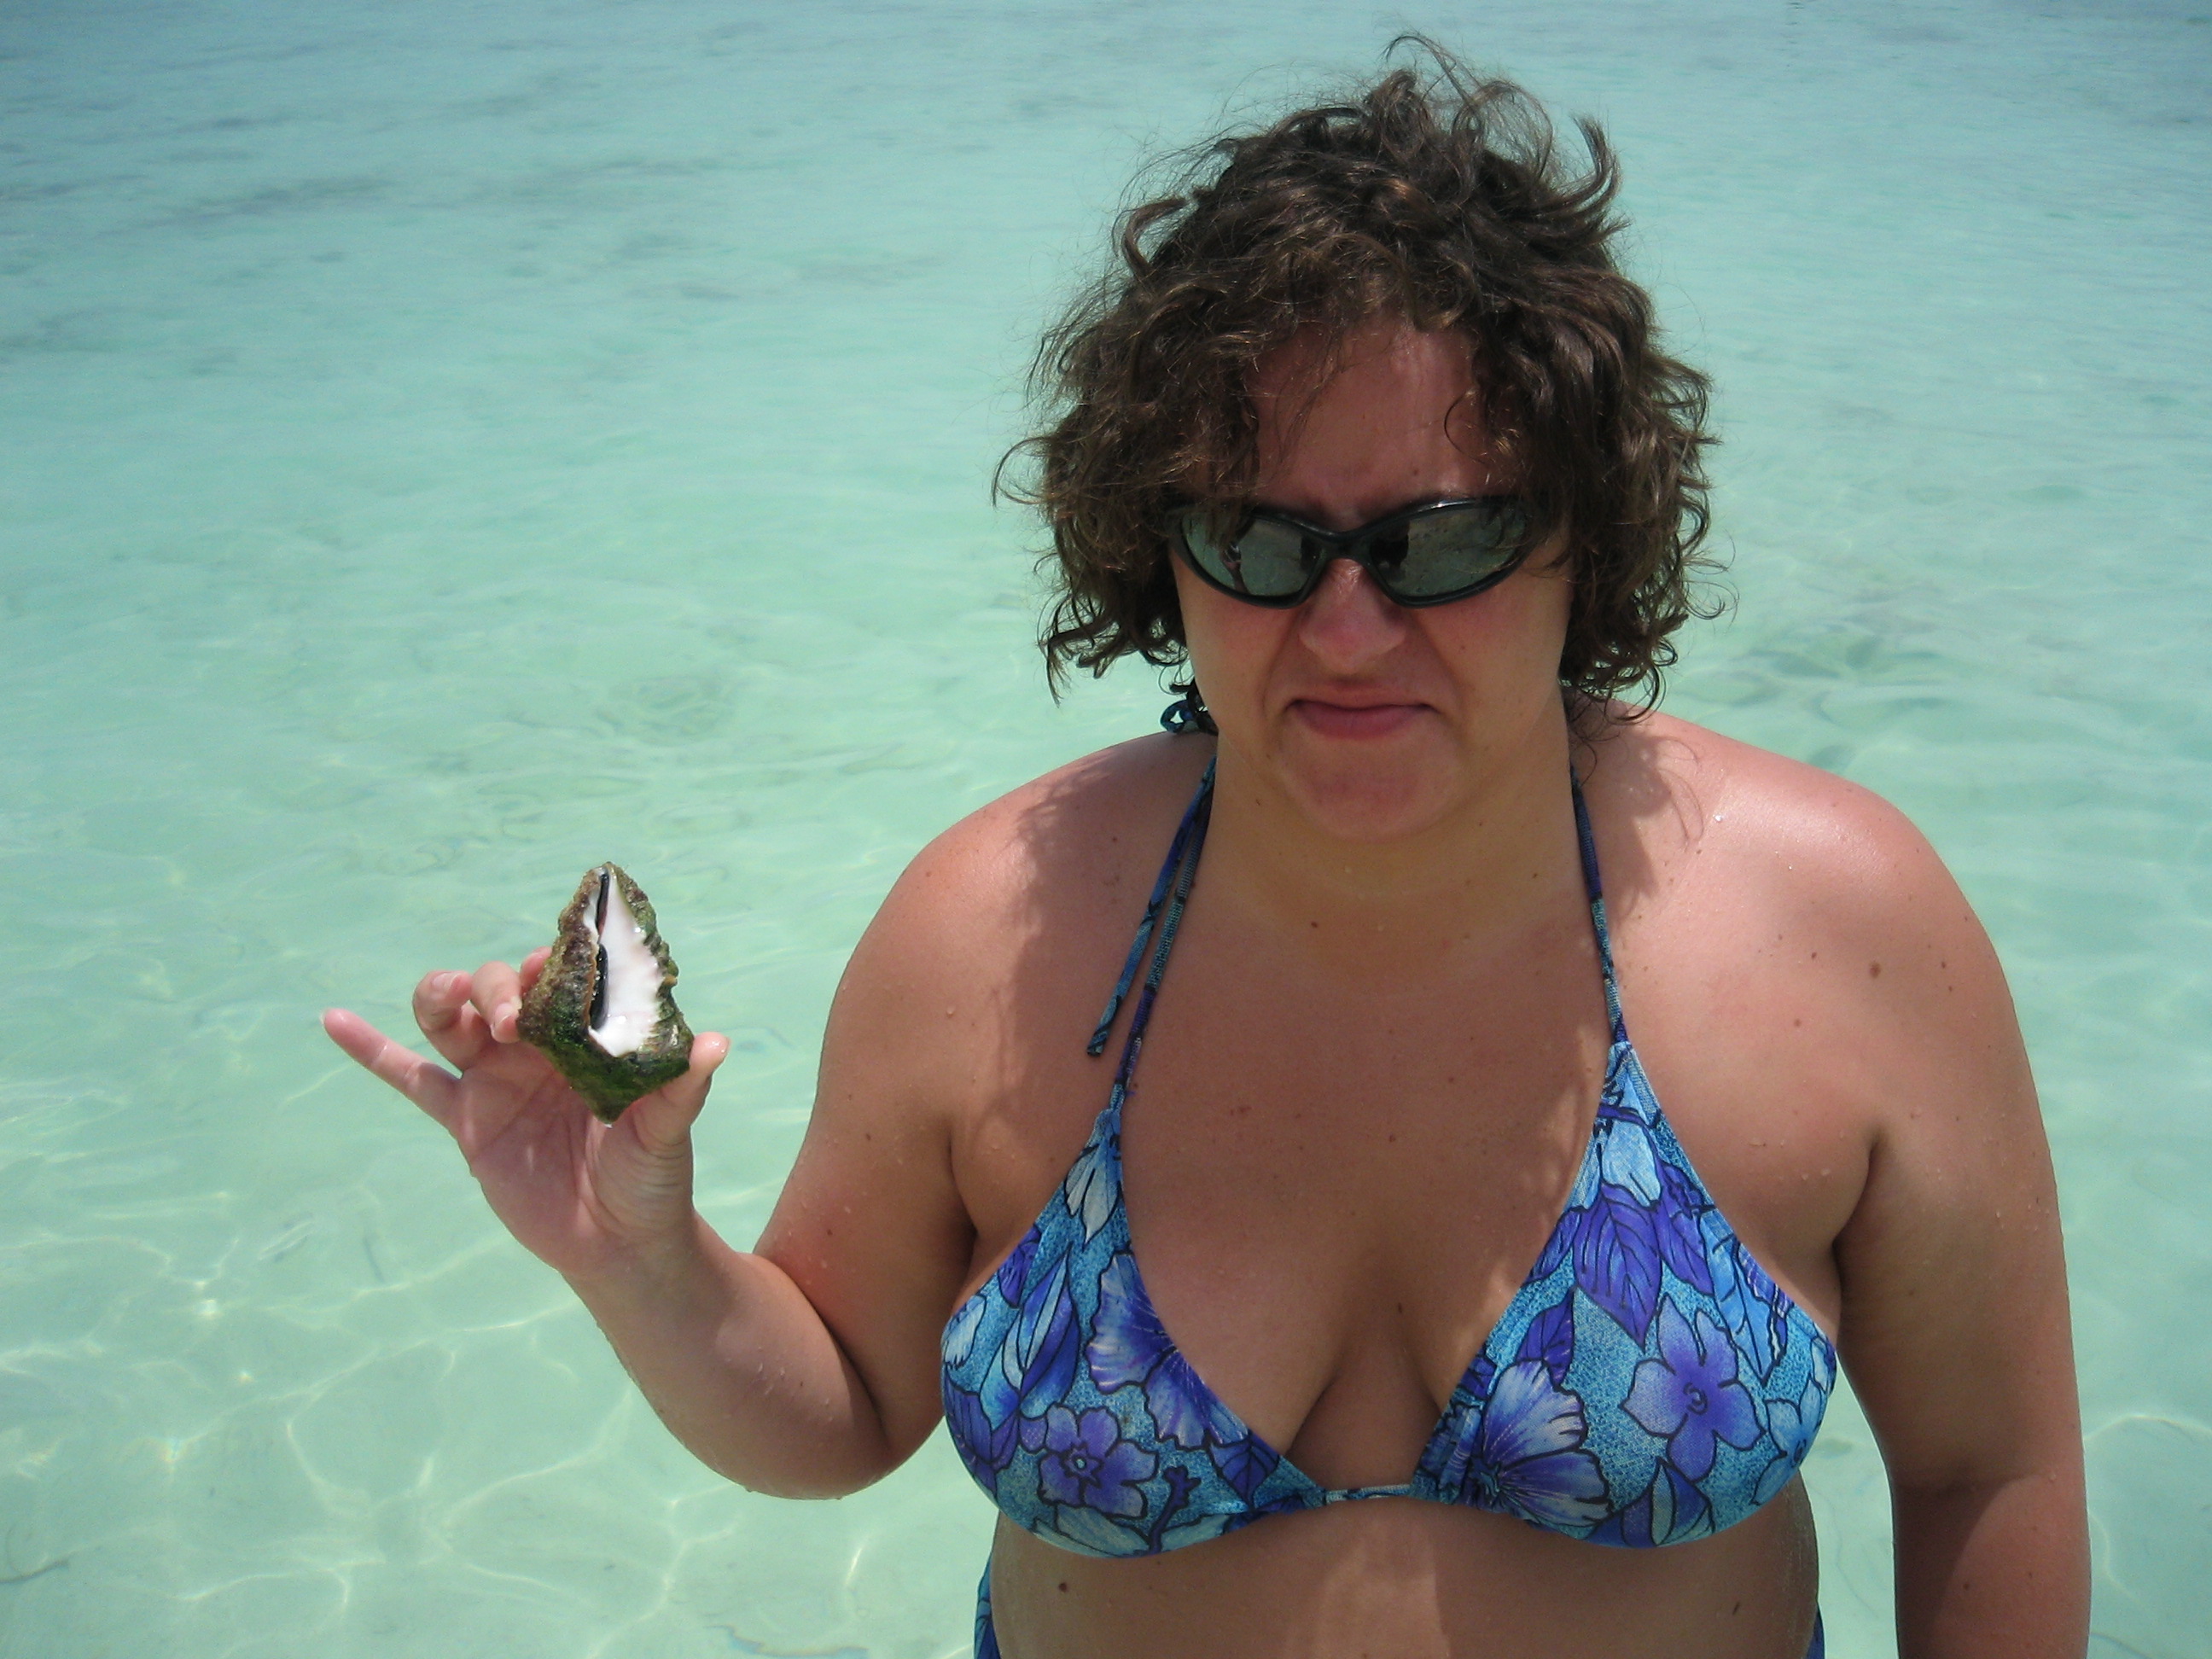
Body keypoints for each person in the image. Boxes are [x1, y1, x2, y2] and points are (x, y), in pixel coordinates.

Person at [323, 50, 2088, 1659]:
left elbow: (1989, 1471)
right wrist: (637, 1261)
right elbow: (842, 1403)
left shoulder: (1836, 926)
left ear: (1584, 532)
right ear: (1153, 553)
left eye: (1442, 538)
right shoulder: (991, 933)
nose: (1345, 624)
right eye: (1258, 541)